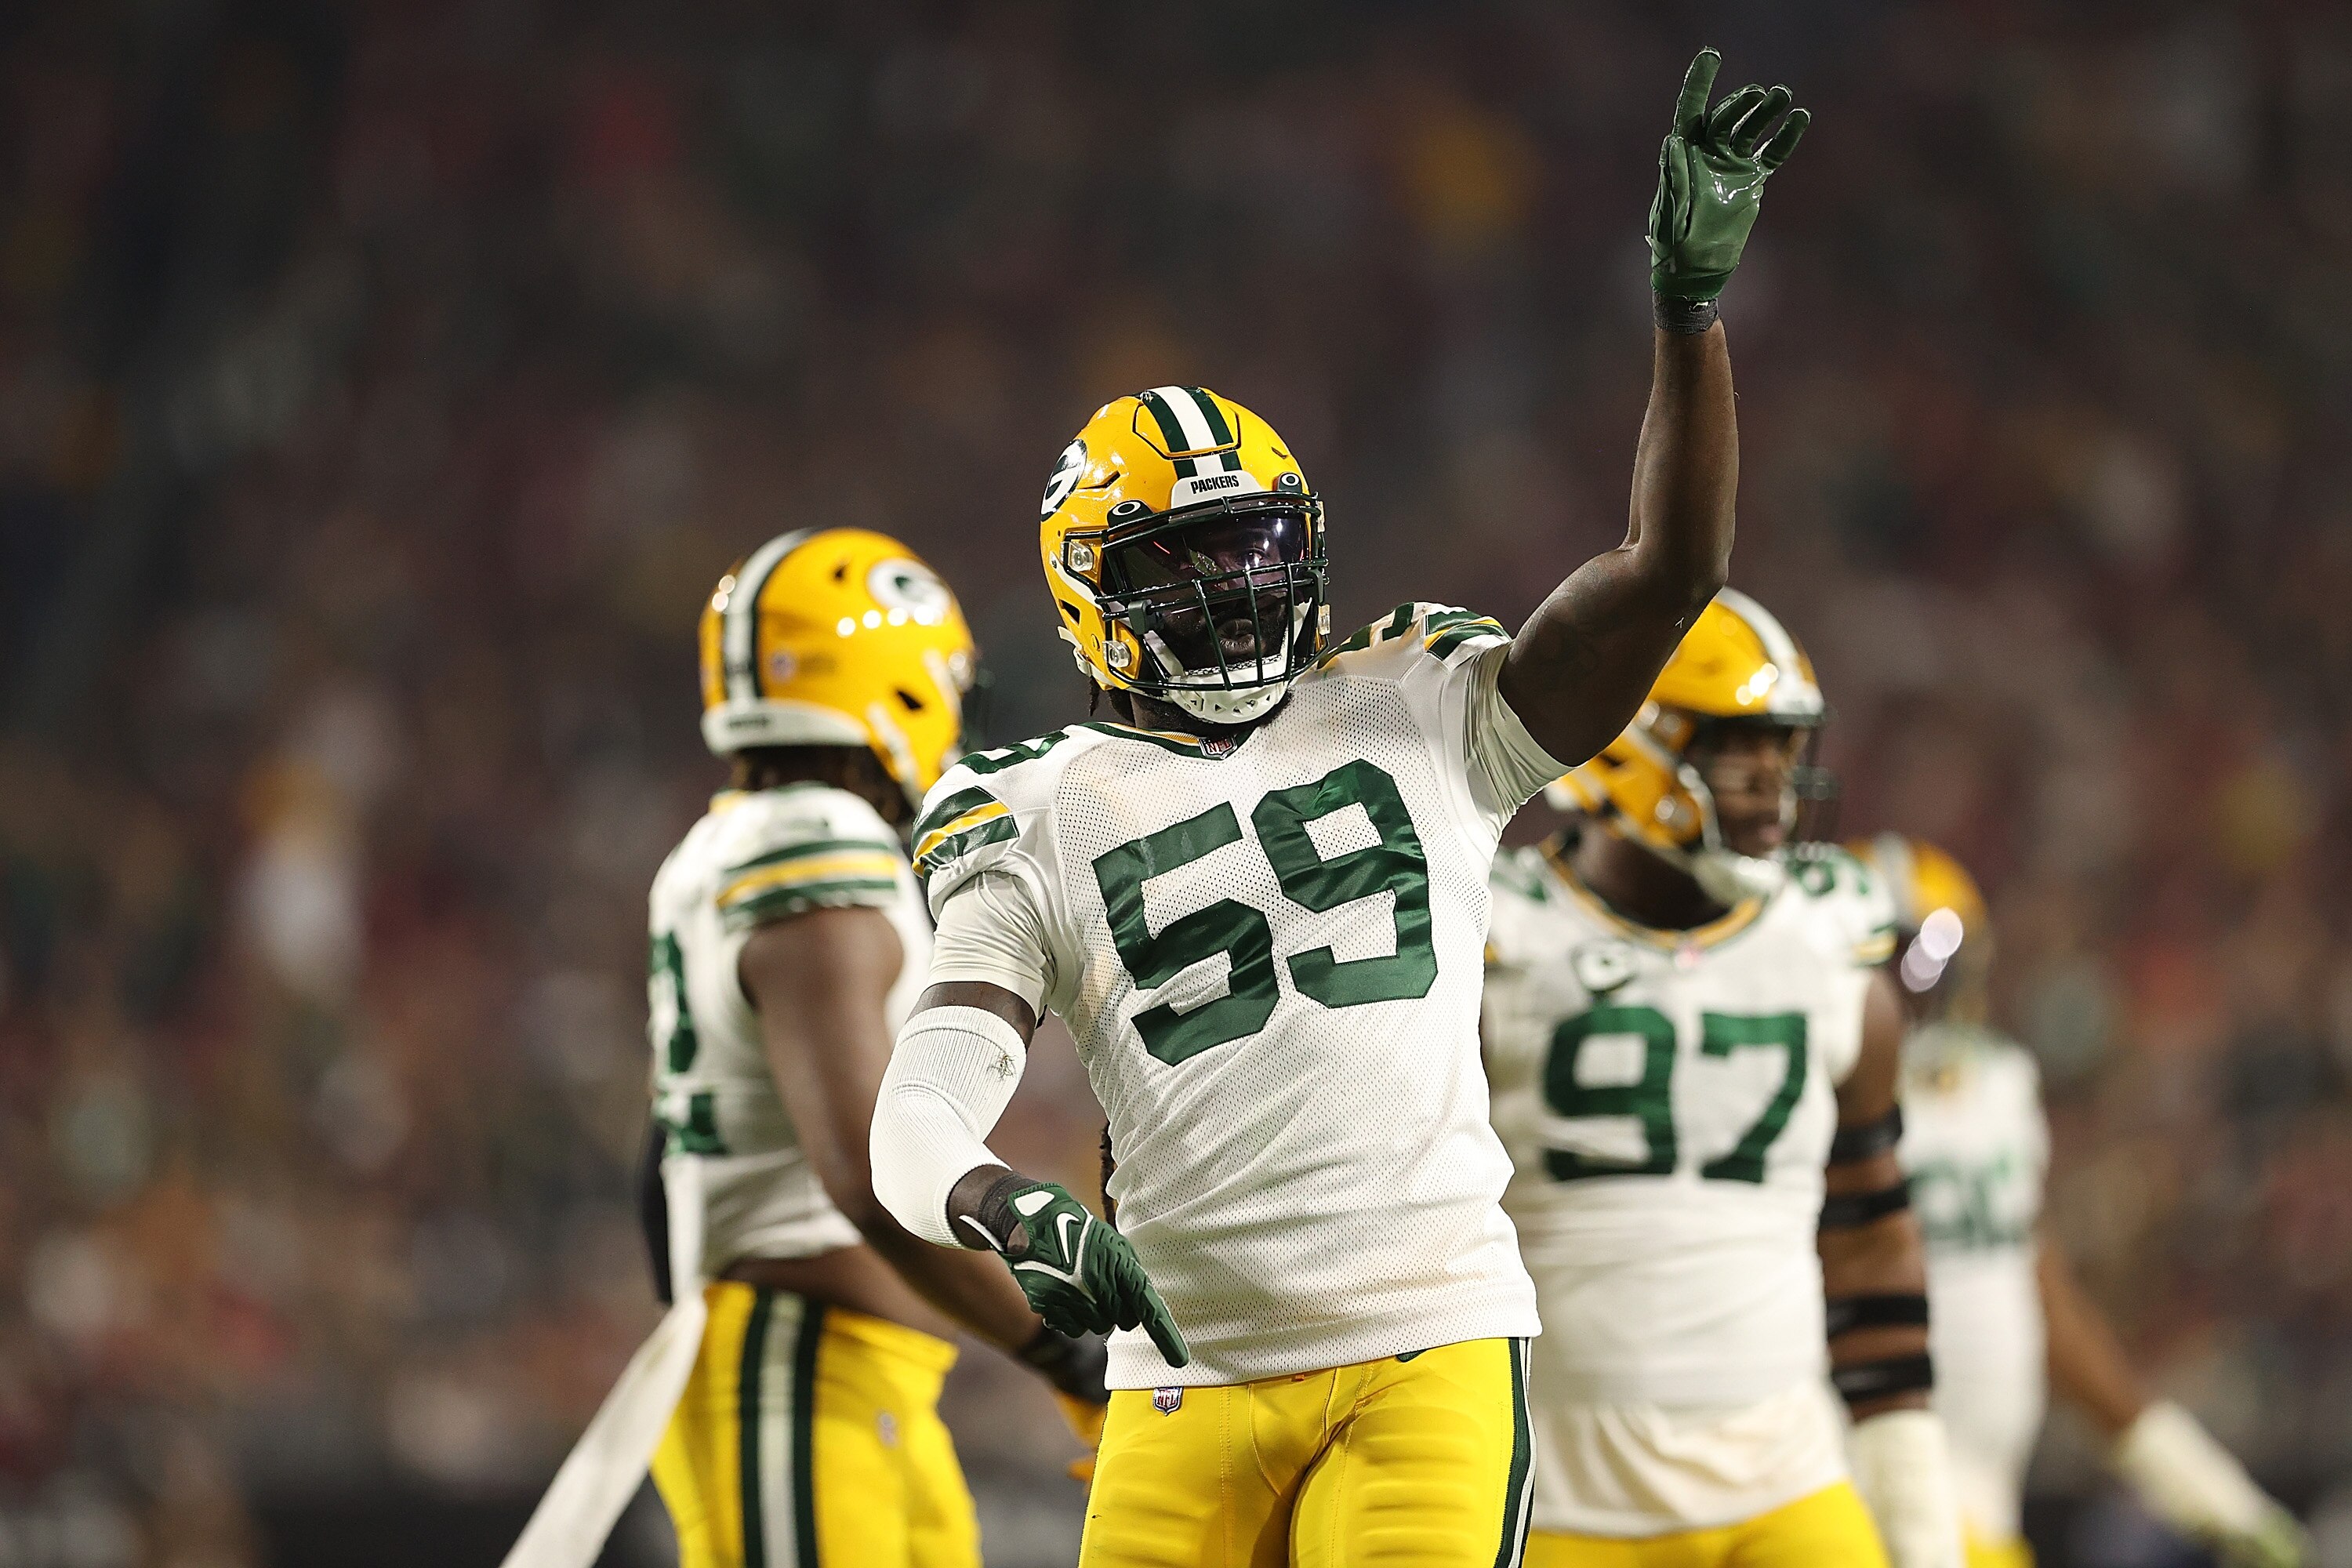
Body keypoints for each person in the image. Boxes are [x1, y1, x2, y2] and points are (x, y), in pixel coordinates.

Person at [865, 49, 1809, 1568]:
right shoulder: (1024, 804)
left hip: (1428, 1338)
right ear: (1093, 598)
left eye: (1259, 551)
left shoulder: (1417, 698)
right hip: (1184, 1369)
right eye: (1197, 564)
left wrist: (1687, 322)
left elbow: (1667, 575)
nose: (1246, 592)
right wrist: (1001, 1202)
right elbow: (917, 1107)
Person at [502, 528, 1106, 1568]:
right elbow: (872, 1173)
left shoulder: (739, 840)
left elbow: (664, 1174)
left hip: (847, 1381)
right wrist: (1065, 1350)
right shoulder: (814, 838)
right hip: (798, 1378)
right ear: (895, 684)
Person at [1480, 590, 1965, 1568]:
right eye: (1737, 745)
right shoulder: (1493, 936)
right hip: (1563, 1491)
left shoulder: (1828, 940)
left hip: (1786, 1482)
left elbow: (1874, 1244)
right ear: (1628, 738)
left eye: (1784, 750)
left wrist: (1918, 1524)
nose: (1772, 783)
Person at [1851, 836, 2311, 1568]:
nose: (1916, 988)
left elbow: (2032, 1294)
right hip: (1859, 1496)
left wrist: (2189, 1475)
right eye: (1898, 962)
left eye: (1935, 962)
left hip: (1979, 1506)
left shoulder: (1996, 1088)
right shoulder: (1807, 1102)